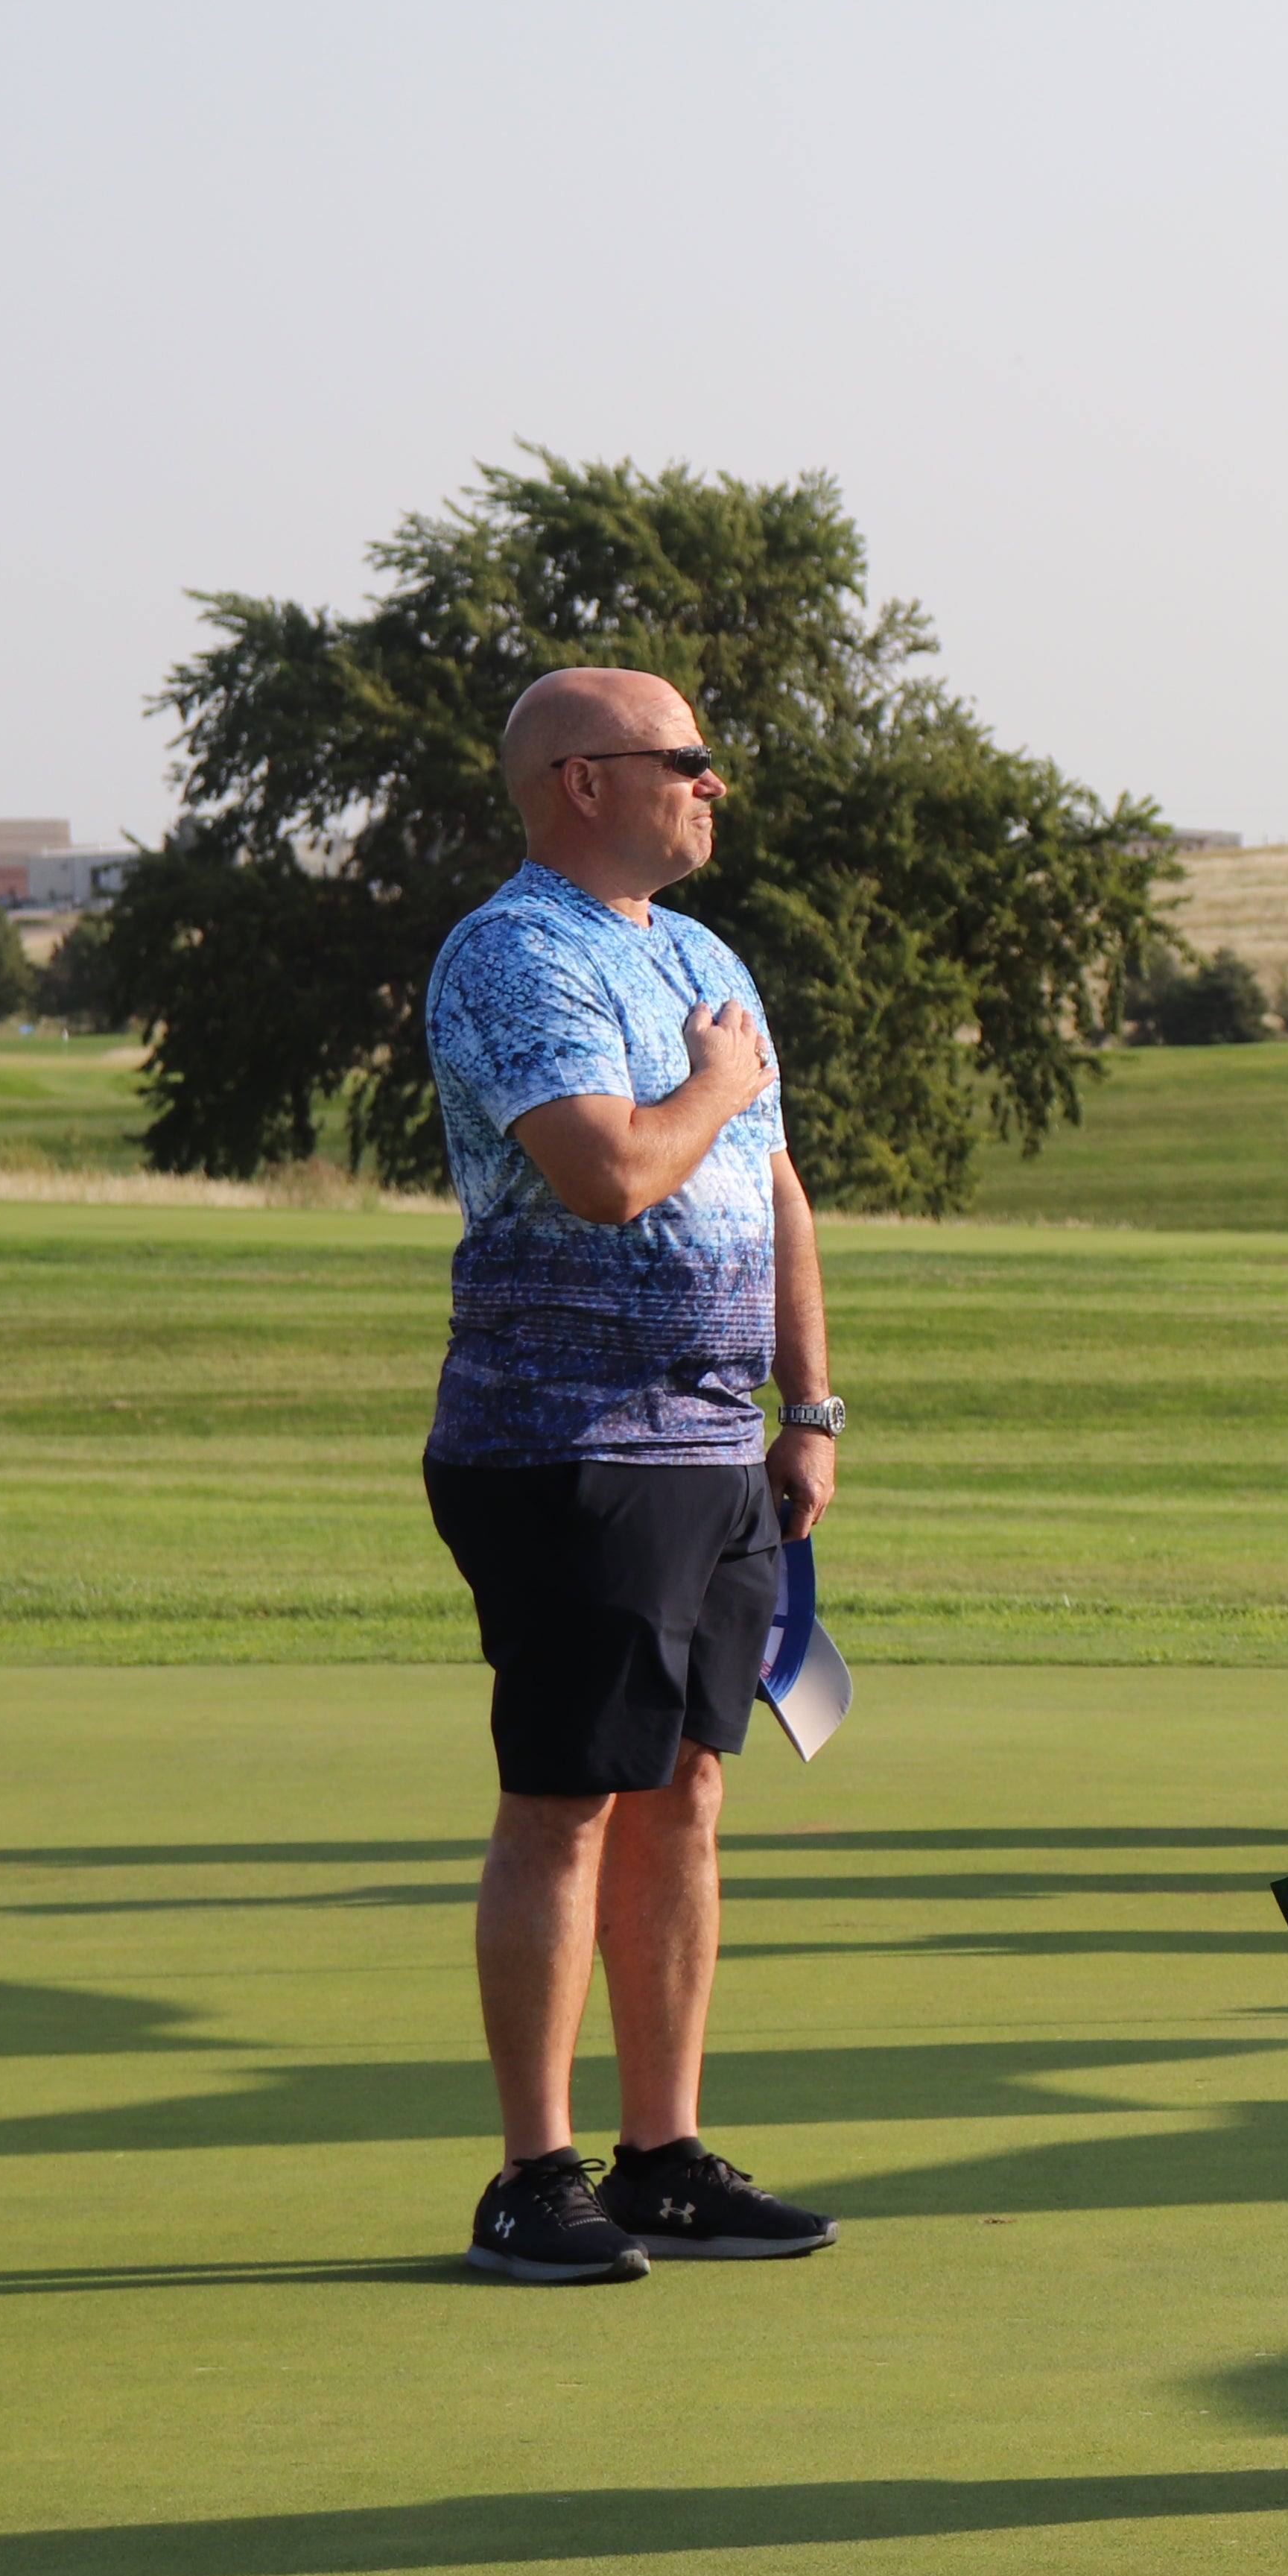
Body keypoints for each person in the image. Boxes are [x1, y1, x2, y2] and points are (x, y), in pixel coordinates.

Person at [425, 667, 846, 2285]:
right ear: (585, 778)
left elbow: (777, 1185)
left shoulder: (704, 953)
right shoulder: (515, 948)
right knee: (567, 1798)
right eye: (689, 761)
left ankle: (660, 2152)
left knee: (690, 1792)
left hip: (713, 1447)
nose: (714, 783)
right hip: (566, 1442)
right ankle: (536, 2174)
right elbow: (608, 1172)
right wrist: (717, 1085)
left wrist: (812, 1406)